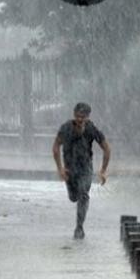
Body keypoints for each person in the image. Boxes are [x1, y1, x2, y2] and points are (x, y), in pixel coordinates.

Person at [52, 102, 111, 239]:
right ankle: (75, 198)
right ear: (74, 115)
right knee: (73, 197)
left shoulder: (91, 129)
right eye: (78, 116)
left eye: (83, 117)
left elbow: (106, 148)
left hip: (85, 168)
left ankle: (79, 228)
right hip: (70, 169)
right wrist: (60, 168)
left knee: (83, 194)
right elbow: (56, 146)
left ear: (88, 117)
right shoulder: (66, 128)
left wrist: (103, 170)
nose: (80, 119)